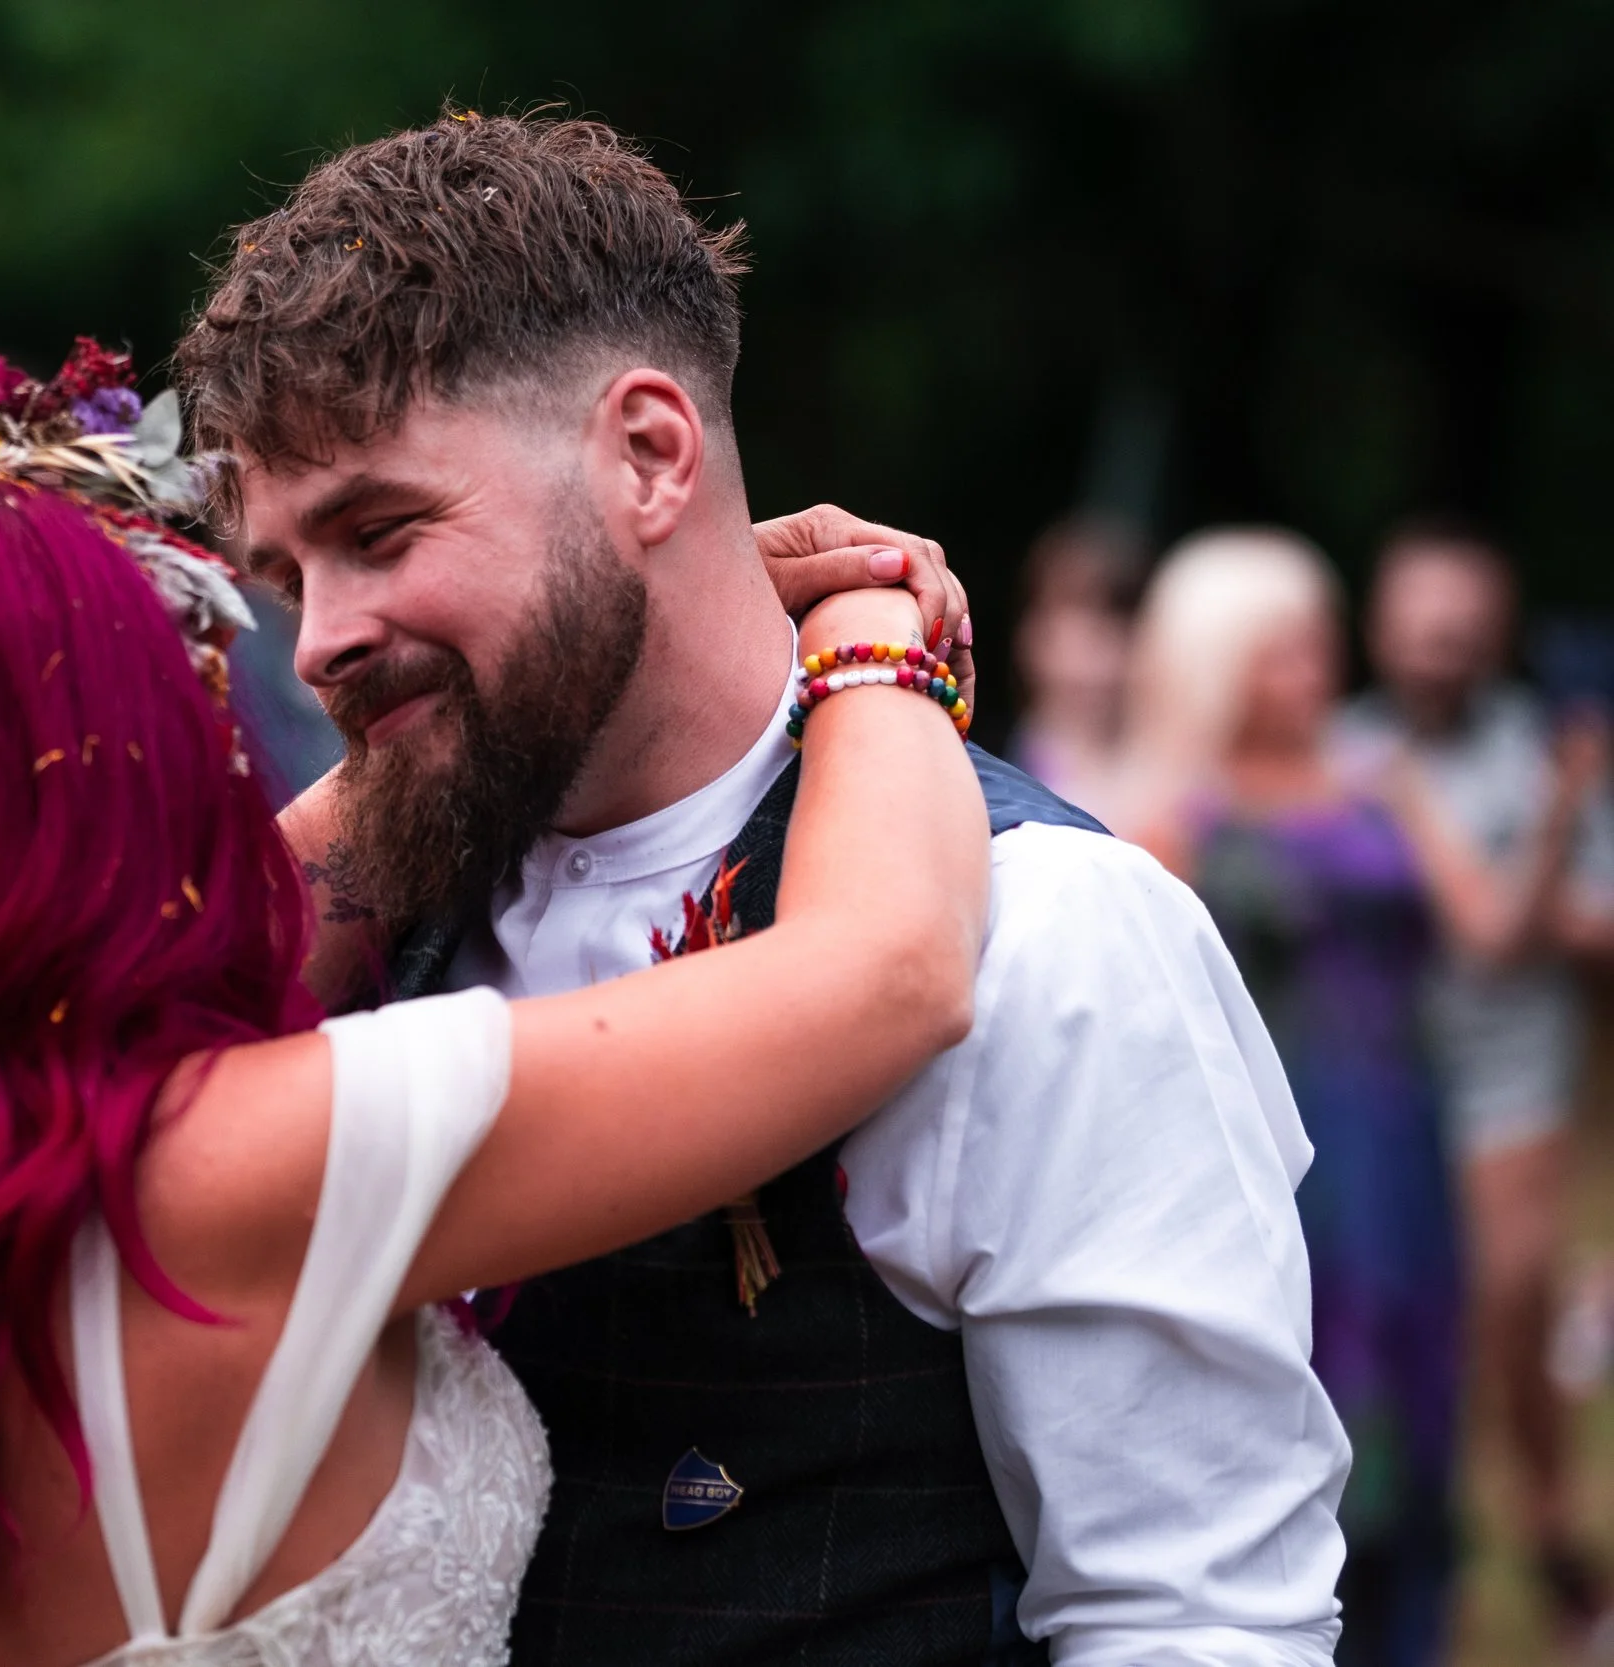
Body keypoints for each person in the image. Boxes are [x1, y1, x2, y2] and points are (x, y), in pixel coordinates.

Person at [181, 110, 1347, 1665]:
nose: (317, 635)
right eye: (288, 578)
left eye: (381, 531)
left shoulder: (1052, 926)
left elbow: (1193, 1618)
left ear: (652, 455)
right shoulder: (359, 912)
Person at [0, 344, 989, 1664]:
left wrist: (594, 630)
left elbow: (52, 997)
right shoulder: (280, 1153)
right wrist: (865, 638)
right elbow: (890, 968)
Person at [1126, 528, 1591, 1667]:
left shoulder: (1382, 784)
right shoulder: (1178, 812)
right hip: (1278, 1139)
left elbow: (1487, 933)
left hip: (1401, 1127)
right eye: (1283, 651)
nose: (1314, 670)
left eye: (1318, 646)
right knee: (1312, 1376)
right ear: (1222, 660)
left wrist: (1565, 809)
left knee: (1423, 1367)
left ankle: (1416, 1620)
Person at [1336, 520, 1614, 1649]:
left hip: (1514, 1083)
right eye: (1419, 630)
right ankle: (1429, 1558)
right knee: (1411, 1335)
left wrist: (1521, 887)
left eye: (1459, 633)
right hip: (1389, 1091)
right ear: (1382, 629)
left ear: (1491, 635)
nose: (1437, 653)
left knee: (1509, 1308)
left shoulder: (1543, 751)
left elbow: (1591, 921)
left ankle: (1552, 1538)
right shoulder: (1344, 750)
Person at [1005, 510, 1143, 825]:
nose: (1101, 666)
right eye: (1086, 639)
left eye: (1118, 634)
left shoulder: (1167, 773)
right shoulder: (996, 770)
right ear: (1031, 637)